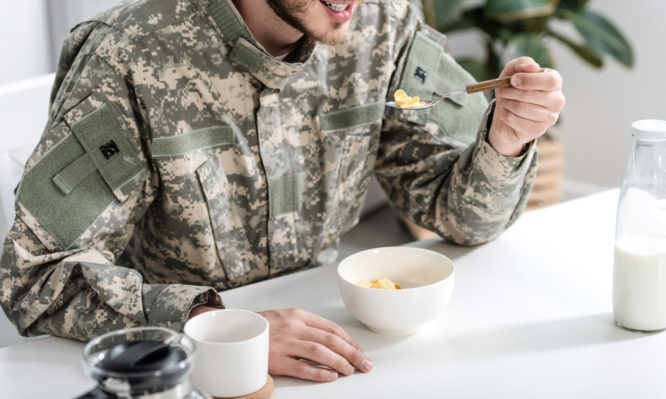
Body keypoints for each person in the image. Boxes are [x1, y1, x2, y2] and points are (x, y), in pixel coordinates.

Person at [0, 0, 564, 383]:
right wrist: (216, 325)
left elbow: (462, 219)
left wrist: (504, 142)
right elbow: (36, 277)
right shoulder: (128, 53)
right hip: (180, 371)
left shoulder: (385, 28)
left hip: (335, 354)